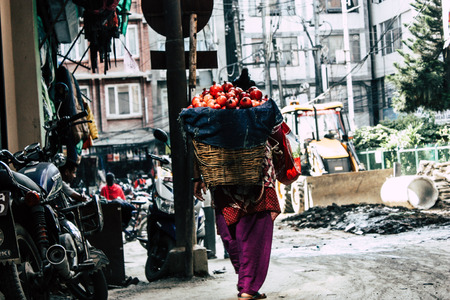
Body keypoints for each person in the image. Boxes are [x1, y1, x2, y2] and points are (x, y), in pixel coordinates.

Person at [194, 140, 280, 300]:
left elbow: (194, 139)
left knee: (232, 234)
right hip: (254, 174)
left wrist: (196, 175)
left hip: (221, 173)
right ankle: (247, 287)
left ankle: (247, 284)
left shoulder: (208, 118)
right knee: (253, 235)